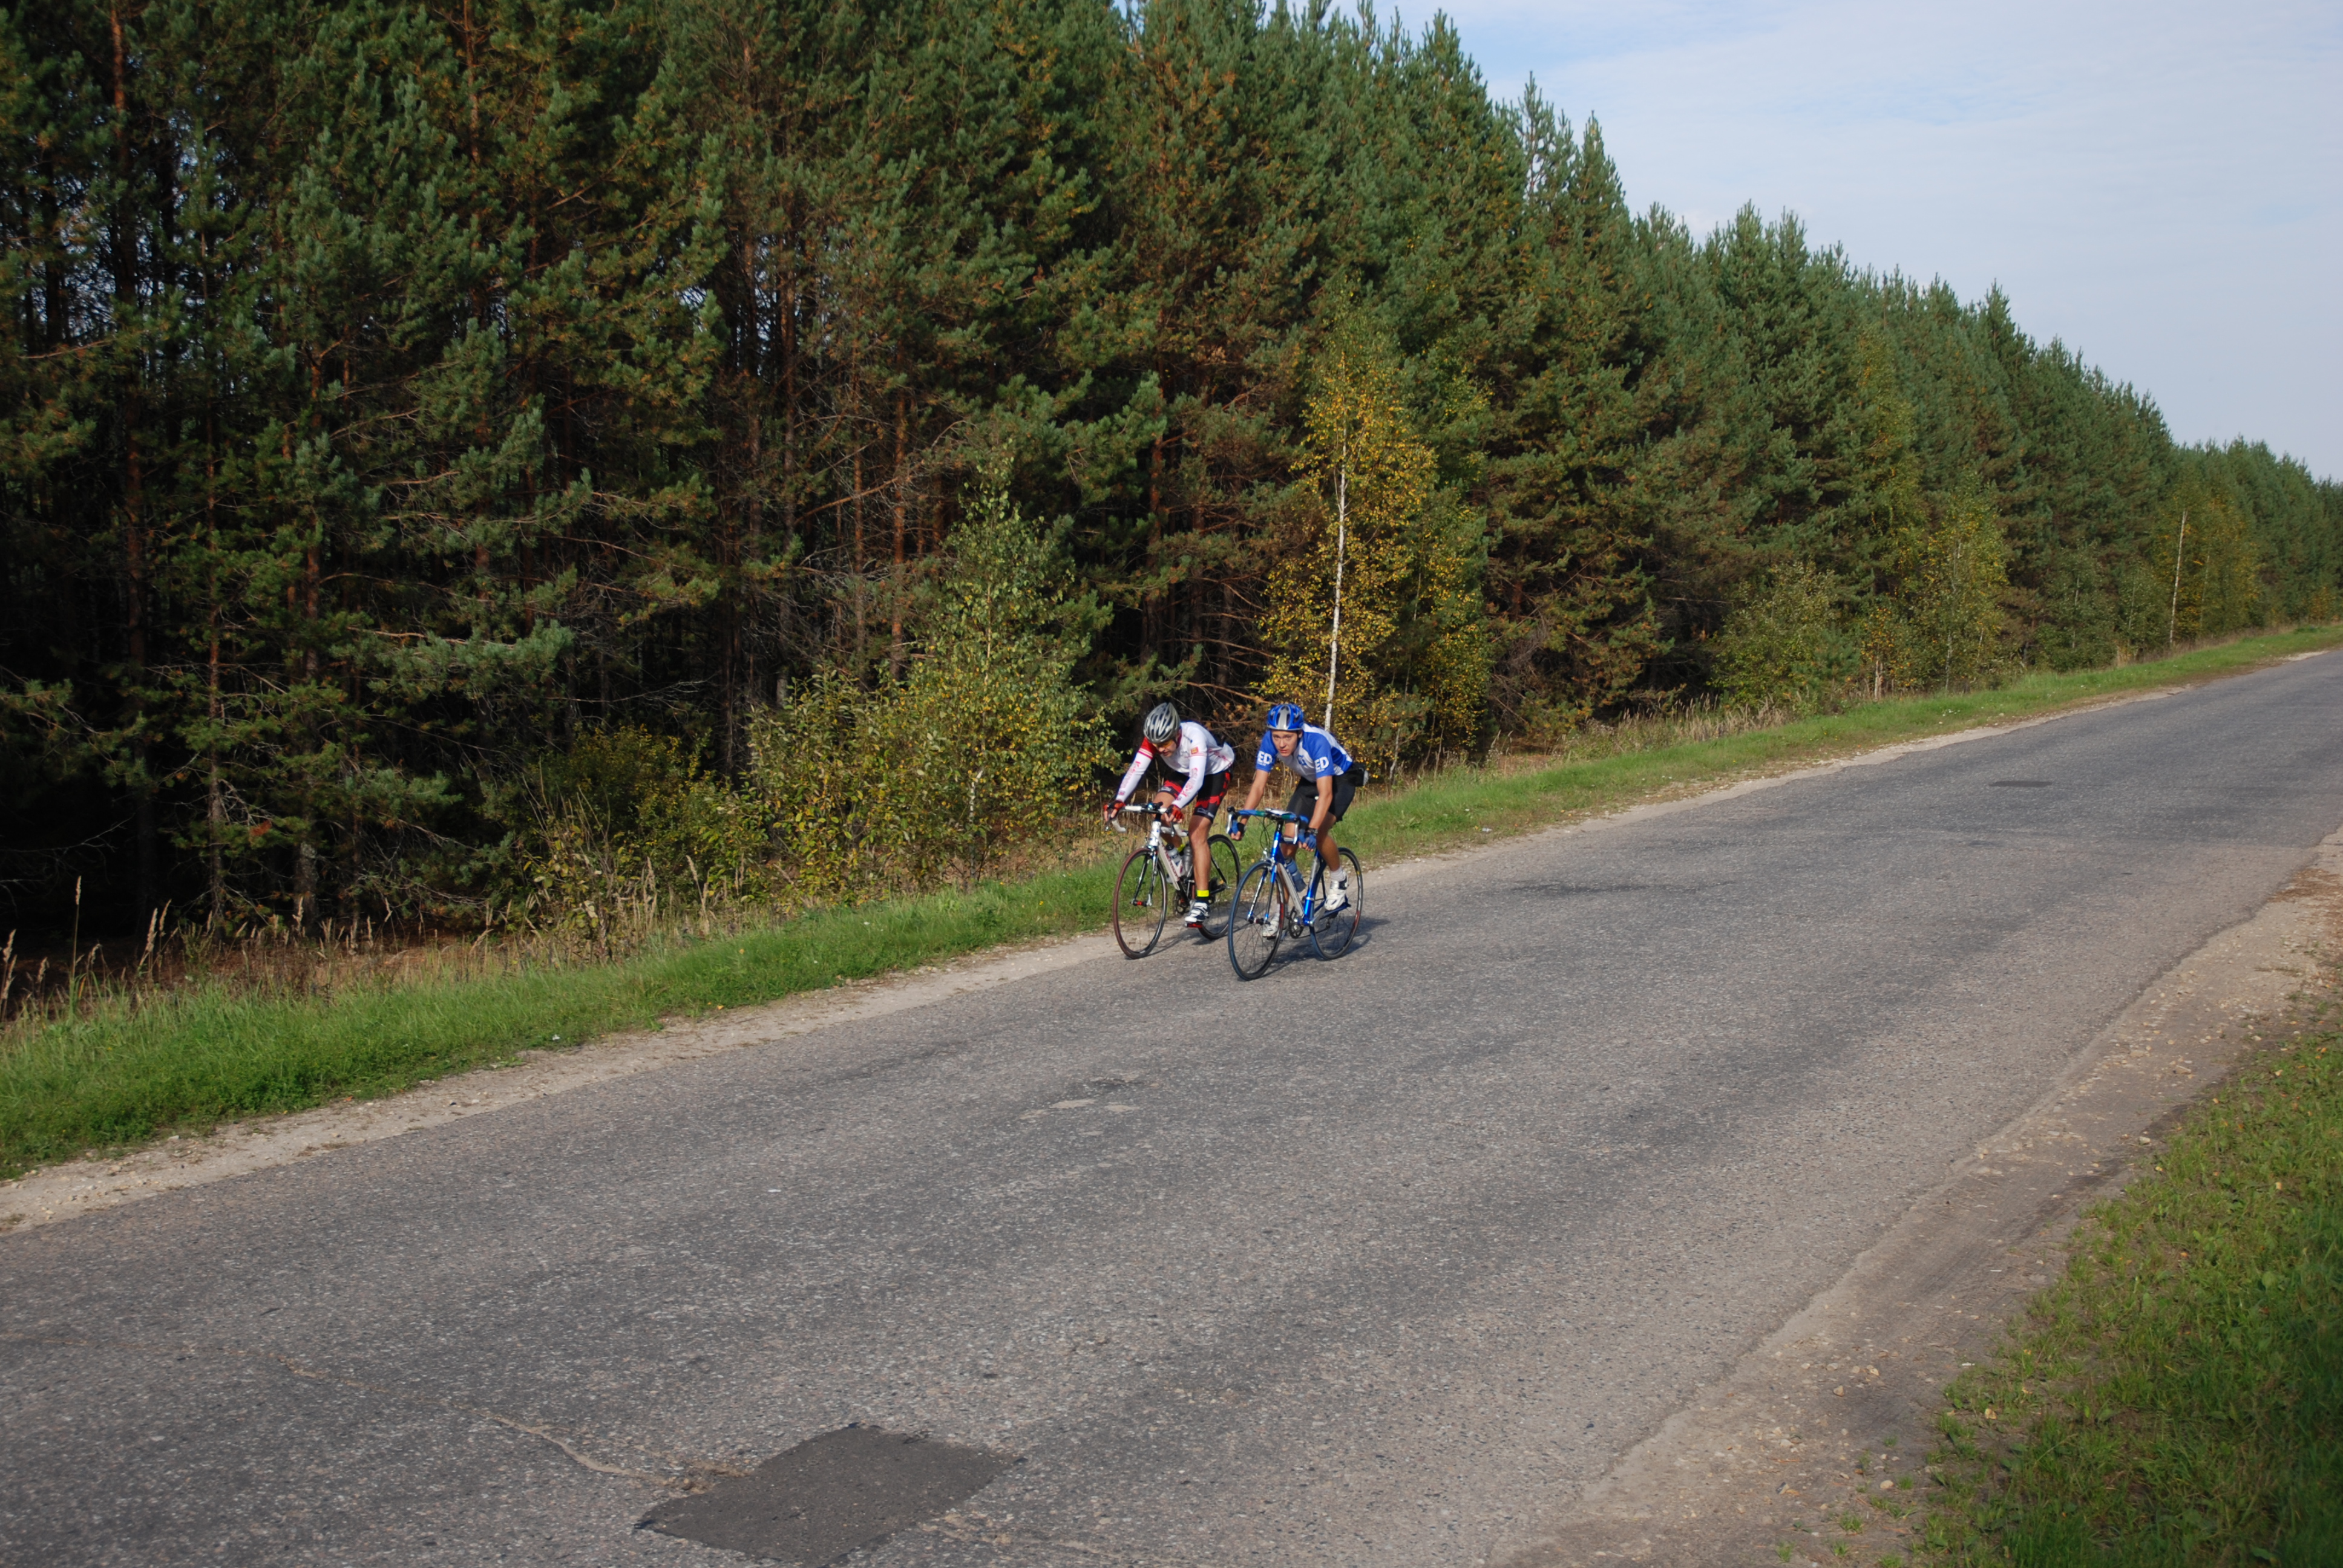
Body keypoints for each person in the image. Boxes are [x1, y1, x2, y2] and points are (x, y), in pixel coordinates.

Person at [1106, 702, 1236, 927]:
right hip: (1184, 771)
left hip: (1215, 772)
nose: (1161, 749)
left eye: (1165, 743)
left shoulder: (1194, 736)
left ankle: (1202, 902)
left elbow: (1197, 779)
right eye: (1156, 745)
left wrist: (1177, 805)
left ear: (1177, 733)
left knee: (1197, 834)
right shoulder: (1155, 742)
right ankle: (1179, 858)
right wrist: (1119, 799)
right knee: (1157, 810)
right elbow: (1136, 769)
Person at [1233, 702, 1358, 915]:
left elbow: (1326, 794)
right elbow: (1258, 786)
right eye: (1277, 737)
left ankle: (1339, 879)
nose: (1281, 744)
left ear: (1299, 733)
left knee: (1319, 832)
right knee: (1287, 842)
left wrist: (1313, 830)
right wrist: (1243, 821)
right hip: (1311, 781)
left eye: (1287, 737)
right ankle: (1281, 914)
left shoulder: (1316, 741)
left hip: (1341, 780)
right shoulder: (1269, 742)